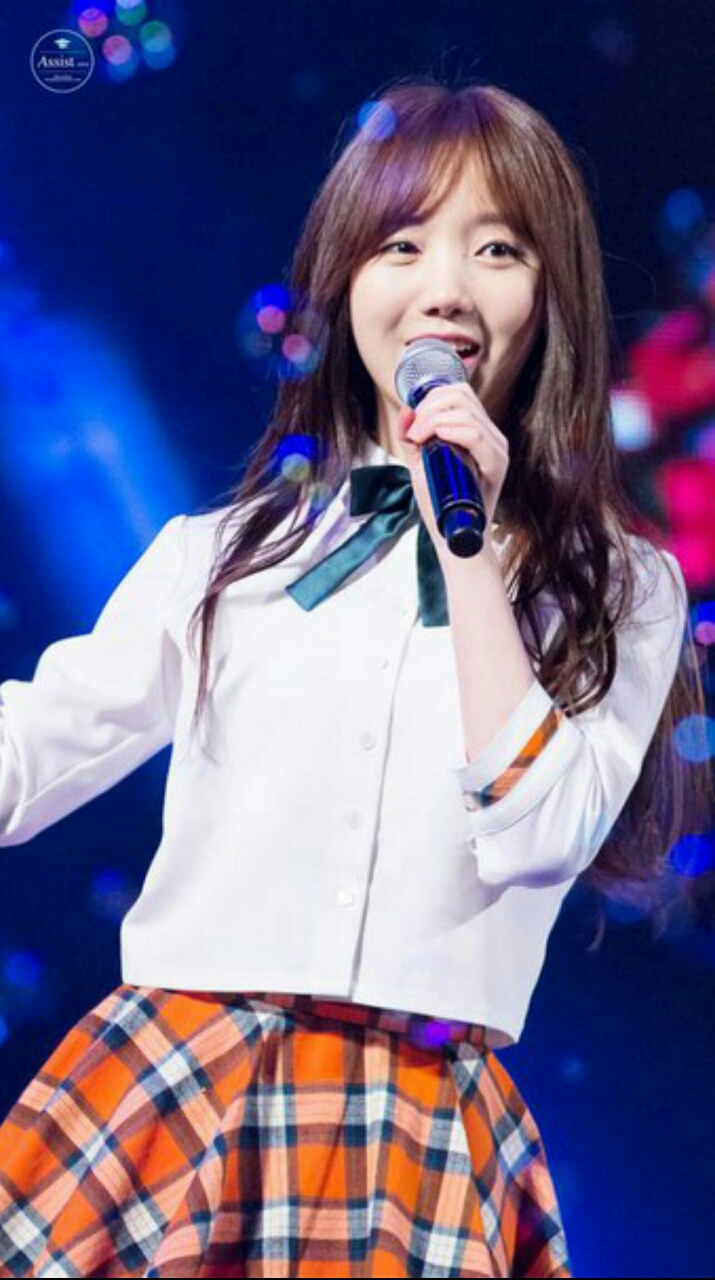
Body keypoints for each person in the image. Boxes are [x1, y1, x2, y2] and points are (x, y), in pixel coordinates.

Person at [0, 77, 709, 1279]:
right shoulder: (222, 555)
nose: (445, 287)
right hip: (177, 1082)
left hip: (414, 1123)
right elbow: (29, 756)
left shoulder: (622, 587)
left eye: (497, 248)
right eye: (401, 243)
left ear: (551, 296)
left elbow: (537, 829)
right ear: (345, 283)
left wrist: (469, 547)